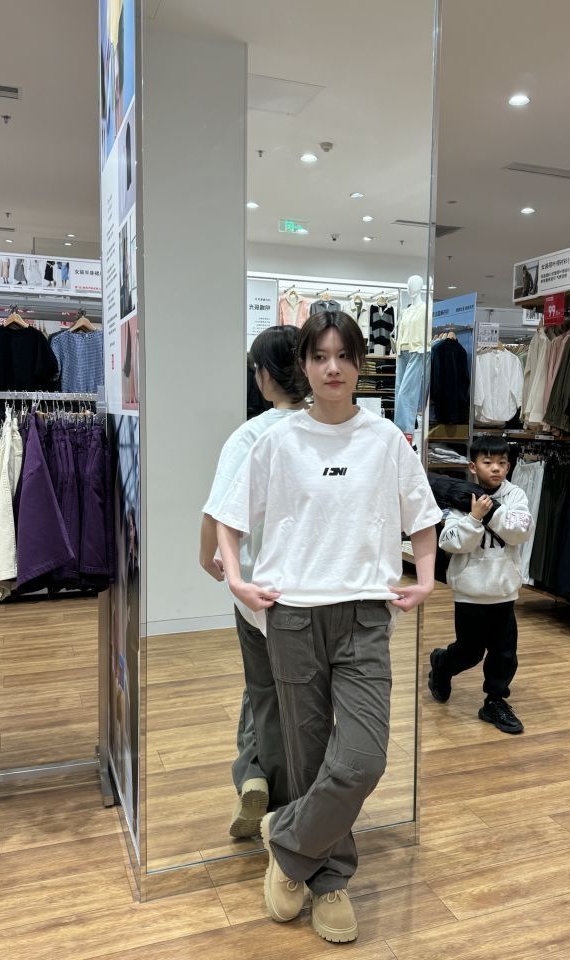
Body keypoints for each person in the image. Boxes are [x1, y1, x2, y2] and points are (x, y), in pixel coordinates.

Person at [213, 312, 440, 943]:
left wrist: (425, 577)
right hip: (291, 615)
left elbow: (422, 515)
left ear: (360, 364)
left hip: (365, 614)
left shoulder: (385, 439)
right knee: (307, 756)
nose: (332, 368)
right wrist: (237, 579)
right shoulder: (277, 441)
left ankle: (287, 842)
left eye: (343, 356)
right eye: (319, 357)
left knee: (362, 758)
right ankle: (330, 880)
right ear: (304, 366)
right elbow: (229, 518)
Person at [200, 325, 310, 839]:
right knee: (305, 699)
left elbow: (217, 511)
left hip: (257, 589)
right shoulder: (330, 428)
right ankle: (276, 790)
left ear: (264, 376)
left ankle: (263, 784)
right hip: (316, 588)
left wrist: (208, 558)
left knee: (263, 690)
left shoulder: (250, 435)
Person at [428, 435, 532, 734]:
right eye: (487, 462)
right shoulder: (460, 498)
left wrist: (493, 512)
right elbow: (450, 543)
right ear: (473, 466)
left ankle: (495, 701)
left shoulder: (515, 495)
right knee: (469, 652)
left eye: (502, 463)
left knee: (504, 653)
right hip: (470, 593)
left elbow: (519, 532)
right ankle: (442, 664)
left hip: (503, 591)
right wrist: (474, 518)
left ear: (509, 466)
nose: (495, 468)